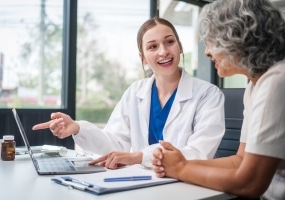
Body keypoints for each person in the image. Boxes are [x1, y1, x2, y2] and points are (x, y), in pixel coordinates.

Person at [32, 17, 225, 170]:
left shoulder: (208, 95)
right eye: (152, 46)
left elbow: (199, 153)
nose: (163, 51)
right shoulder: (135, 92)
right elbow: (115, 145)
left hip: (187, 186)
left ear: (180, 46)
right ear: (143, 58)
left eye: (169, 42)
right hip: (143, 183)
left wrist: (139, 157)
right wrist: (77, 128)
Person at [151, 0, 285, 199]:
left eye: (212, 41)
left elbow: (250, 183)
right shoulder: (254, 86)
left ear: (238, 38)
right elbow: (240, 160)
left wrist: (180, 169)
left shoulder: (277, 81)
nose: (206, 52)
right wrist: (181, 163)